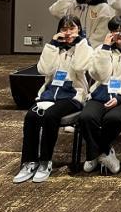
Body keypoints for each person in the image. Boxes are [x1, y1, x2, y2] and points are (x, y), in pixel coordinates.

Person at [14, 16, 92, 184]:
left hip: (73, 95)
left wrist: (79, 42)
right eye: (64, 29)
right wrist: (51, 45)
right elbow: (44, 69)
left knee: (50, 116)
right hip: (49, 94)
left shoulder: (84, 47)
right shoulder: (54, 47)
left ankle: (45, 161)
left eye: (72, 28)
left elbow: (80, 67)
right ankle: (29, 162)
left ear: (79, 30)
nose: (68, 32)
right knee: (31, 116)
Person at [79, 16, 121, 176]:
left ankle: (95, 153)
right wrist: (105, 49)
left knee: (113, 118)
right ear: (110, 32)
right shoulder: (101, 49)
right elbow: (99, 75)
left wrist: (120, 97)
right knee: (86, 117)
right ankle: (104, 152)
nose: (120, 34)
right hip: (101, 93)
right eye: (116, 30)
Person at [49, 0, 113, 47]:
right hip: (71, 46)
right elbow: (55, 11)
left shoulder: (103, 7)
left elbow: (101, 33)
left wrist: (85, 46)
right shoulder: (74, 3)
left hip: (92, 48)